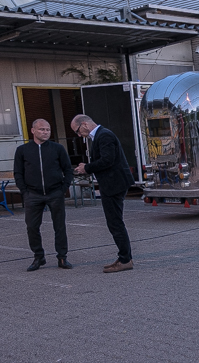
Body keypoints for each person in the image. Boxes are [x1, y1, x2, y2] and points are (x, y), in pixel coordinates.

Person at [71, 114, 135, 272]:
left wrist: (86, 167)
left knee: (115, 222)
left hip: (114, 184)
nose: (79, 135)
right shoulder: (101, 135)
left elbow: (108, 160)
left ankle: (125, 260)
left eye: (78, 131)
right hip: (112, 183)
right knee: (114, 222)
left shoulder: (104, 135)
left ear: (84, 124)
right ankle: (124, 257)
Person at [13, 118, 74, 271]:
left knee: (59, 226)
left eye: (47, 129)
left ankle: (62, 257)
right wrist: (25, 191)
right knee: (32, 227)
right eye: (42, 129)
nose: (45, 132)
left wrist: (63, 188)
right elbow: (18, 172)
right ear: (33, 130)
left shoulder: (57, 148)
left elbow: (68, 169)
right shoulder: (22, 150)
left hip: (55, 193)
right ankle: (38, 257)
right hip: (32, 194)